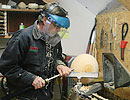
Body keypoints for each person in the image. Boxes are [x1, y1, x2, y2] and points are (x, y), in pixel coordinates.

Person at [0, 3, 72, 100]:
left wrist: (60, 65)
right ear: (44, 19)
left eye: (60, 27)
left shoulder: (54, 38)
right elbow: (6, 66)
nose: (58, 30)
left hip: (45, 95)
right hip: (22, 96)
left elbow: (57, 57)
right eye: (56, 25)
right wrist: (31, 79)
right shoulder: (23, 37)